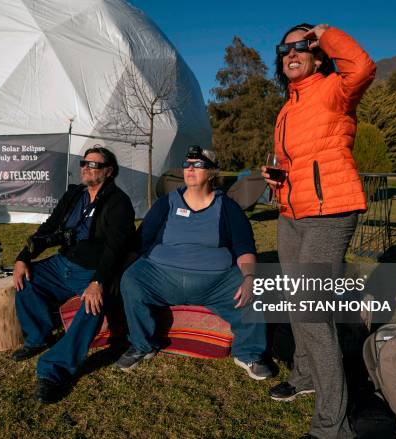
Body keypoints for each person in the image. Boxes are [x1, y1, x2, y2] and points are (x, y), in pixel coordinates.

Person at [262, 24, 376, 439]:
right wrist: (278, 179)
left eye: (302, 45)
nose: (291, 52)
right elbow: (296, 162)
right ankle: (304, 374)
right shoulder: (287, 106)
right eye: (284, 48)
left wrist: (326, 32)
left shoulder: (333, 89)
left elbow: (362, 66)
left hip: (331, 212)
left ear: (317, 54)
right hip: (292, 213)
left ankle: (332, 425)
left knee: (312, 312)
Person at [116, 146, 273, 380]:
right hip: (161, 277)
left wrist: (249, 278)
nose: (190, 168)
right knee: (131, 280)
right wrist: (120, 271)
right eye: (187, 163)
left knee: (255, 289)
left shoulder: (228, 207)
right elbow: (142, 240)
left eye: (198, 165)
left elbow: (244, 248)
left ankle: (248, 353)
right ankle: (142, 345)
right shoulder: (166, 203)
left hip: (215, 283)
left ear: (211, 172)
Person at [12, 146, 135, 404]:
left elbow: (116, 248)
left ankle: (54, 371)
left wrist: (98, 282)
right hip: (62, 263)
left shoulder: (118, 203)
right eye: (84, 163)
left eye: (93, 165)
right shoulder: (74, 194)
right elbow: (50, 227)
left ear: (109, 171)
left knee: (92, 305)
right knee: (27, 279)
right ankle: (38, 336)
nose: (86, 168)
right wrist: (24, 257)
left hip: (93, 270)